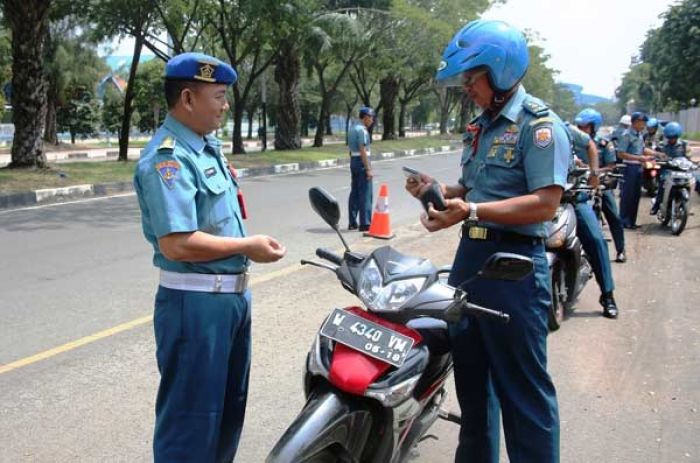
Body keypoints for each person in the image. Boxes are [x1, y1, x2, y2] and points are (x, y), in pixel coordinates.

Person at [406, 19, 567, 462]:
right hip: (471, 264)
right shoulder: (482, 126)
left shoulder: (540, 127)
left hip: (514, 268)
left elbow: (544, 203)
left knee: (524, 397)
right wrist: (438, 193)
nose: (465, 87)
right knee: (474, 393)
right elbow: (474, 189)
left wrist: (472, 209)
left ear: (498, 71)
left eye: (470, 78)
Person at [133, 52, 287, 462]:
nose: (224, 105)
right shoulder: (169, 158)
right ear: (187, 98)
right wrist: (246, 245)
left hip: (229, 302)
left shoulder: (204, 149)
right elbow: (177, 244)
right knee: (191, 423)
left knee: (225, 417)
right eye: (218, 96)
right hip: (195, 305)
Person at [567, 118, 620, 318]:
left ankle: (607, 295)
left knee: (596, 240)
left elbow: (589, 144)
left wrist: (594, 174)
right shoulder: (515, 132)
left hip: (572, 197)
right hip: (539, 202)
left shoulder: (562, 128)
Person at [574, 108, 626, 263]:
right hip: (578, 184)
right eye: (580, 126)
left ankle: (621, 249)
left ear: (594, 126)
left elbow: (611, 165)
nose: (582, 129)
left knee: (614, 217)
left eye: (586, 126)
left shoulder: (604, 143)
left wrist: (595, 171)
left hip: (600, 184)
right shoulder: (573, 141)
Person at [617, 112, 664, 229]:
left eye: (644, 123)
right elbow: (621, 153)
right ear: (635, 123)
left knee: (636, 196)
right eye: (641, 123)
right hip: (629, 167)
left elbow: (642, 149)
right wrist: (639, 158)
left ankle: (632, 221)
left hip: (638, 167)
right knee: (627, 195)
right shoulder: (626, 135)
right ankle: (624, 221)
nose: (643, 125)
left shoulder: (639, 135)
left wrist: (657, 154)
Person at [651, 121, 689, 214]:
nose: (672, 139)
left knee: (690, 183)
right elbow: (656, 156)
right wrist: (658, 159)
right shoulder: (662, 146)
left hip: (681, 171)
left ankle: (686, 205)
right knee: (662, 186)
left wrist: (692, 162)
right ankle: (656, 205)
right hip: (667, 172)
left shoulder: (684, 145)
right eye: (670, 137)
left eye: (674, 137)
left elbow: (689, 156)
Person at [347, 106, 375, 231]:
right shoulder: (362, 130)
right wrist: (368, 168)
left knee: (355, 193)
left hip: (353, 161)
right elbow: (362, 149)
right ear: (366, 117)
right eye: (371, 118)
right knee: (365, 193)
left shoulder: (352, 128)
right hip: (362, 161)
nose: (372, 120)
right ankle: (365, 223)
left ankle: (352, 222)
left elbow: (350, 149)